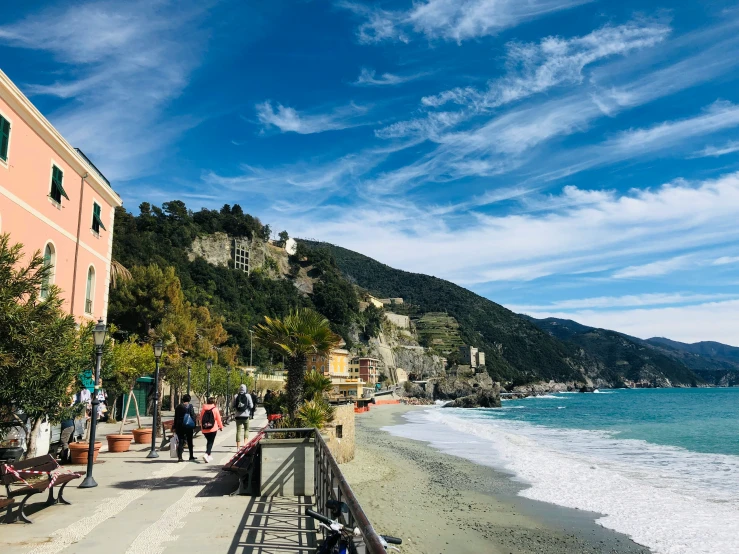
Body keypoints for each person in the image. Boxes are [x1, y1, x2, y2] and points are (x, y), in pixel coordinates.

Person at [199, 396, 223, 463]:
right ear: (214, 402)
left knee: (209, 441)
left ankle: (209, 455)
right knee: (210, 442)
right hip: (213, 428)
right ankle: (206, 454)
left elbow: (201, 419)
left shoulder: (203, 409)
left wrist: (202, 427)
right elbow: (218, 419)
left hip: (205, 428)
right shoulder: (215, 409)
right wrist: (221, 426)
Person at [173, 394, 197, 462]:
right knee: (190, 441)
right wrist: (194, 425)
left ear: (183, 399)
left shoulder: (178, 407)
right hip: (188, 426)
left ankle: (180, 457)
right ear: (189, 400)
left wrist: (174, 426)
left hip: (179, 426)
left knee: (181, 441)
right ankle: (191, 456)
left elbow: (176, 417)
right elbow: (193, 416)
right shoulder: (190, 406)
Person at [233, 384, 254, 448]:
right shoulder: (248, 396)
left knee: (238, 431)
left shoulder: (236, 396)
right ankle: (245, 444)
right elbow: (251, 406)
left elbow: (232, 406)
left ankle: (238, 447)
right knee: (246, 429)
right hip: (246, 416)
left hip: (238, 416)